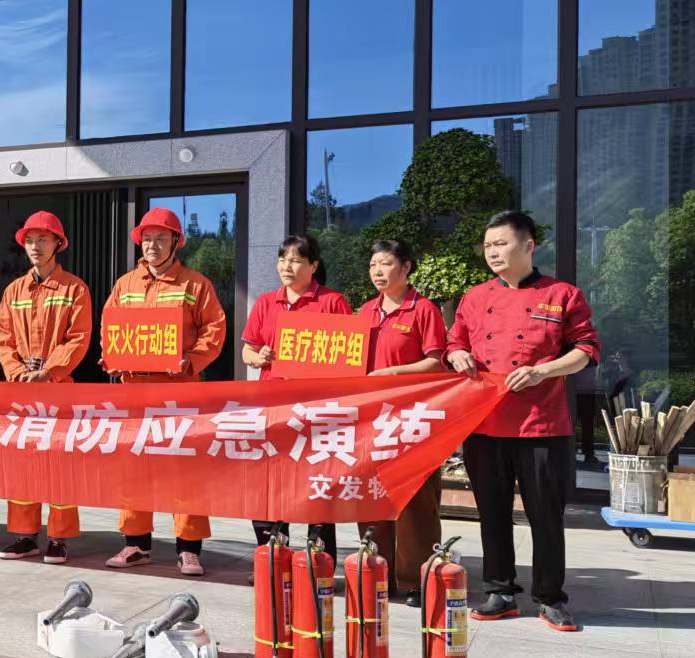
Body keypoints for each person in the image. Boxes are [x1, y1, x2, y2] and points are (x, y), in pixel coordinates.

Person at [446, 211, 601, 633]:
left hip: (542, 424)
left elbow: (586, 351)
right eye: (488, 245)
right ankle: (500, 591)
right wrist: (457, 355)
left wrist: (542, 371)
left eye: (501, 243)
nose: (492, 252)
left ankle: (551, 597)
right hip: (485, 423)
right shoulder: (475, 297)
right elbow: (454, 341)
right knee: (491, 512)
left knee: (545, 515)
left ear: (528, 246)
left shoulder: (563, 294)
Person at [101, 207, 227, 577]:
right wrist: (112, 358)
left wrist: (191, 361)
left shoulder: (195, 284)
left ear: (176, 242)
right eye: (147, 238)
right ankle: (136, 544)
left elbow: (214, 330)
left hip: (180, 390)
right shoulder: (125, 285)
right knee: (134, 465)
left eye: (161, 238)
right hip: (135, 391)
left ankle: (189, 549)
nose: (152, 245)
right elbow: (110, 328)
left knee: (183, 466)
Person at [240, 235, 351, 564]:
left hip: (317, 410)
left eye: (296, 260)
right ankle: (273, 555)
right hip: (274, 407)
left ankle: (319, 560)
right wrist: (258, 357)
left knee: (317, 482)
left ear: (313, 266)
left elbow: (349, 355)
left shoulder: (333, 302)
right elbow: (247, 350)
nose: (286, 266)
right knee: (271, 481)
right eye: (282, 259)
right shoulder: (266, 303)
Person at [0, 211, 93, 564]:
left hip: (58, 389)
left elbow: (79, 337)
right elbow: (3, 337)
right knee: (23, 462)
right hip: (22, 390)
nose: (35, 246)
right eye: (30, 240)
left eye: (43, 240)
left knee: (60, 463)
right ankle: (24, 536)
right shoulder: (14, 290)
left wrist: (49, 371)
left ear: (58, 244)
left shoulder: (74, 289)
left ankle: (59, 537)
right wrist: (17, 371)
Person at [356, 239, 448, 605]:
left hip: (412, 417)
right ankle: (377, 571)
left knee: (416, 499)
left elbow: (436, 361)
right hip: (371, 419)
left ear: (406, 267)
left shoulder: (423, 309)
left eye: (386, 263)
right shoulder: (365, 311)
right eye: (372, 264)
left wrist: (394, 372)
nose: (377, 271)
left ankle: (416, 580)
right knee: (372, 494)